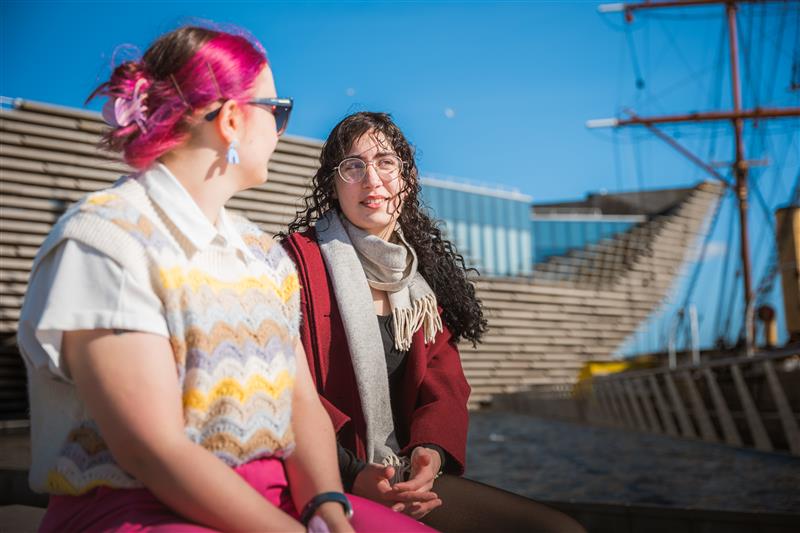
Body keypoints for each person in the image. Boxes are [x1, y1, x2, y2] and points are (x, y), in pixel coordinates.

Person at [17, 27, 435, 533]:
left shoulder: (260, 254)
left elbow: (301, 405)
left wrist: (327, 507)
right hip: (140, 508)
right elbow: (153, 451)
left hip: (283, 498)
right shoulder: (106, 241)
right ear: (234, 120)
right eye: (278, 111)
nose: (281, 130)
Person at [282, 112, 586, 532]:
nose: (372, 179)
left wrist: (431, 453)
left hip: (403, 477)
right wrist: (354, 473)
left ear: (406, 179)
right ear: (333, 185)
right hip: (320, 476)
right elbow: (282, 390)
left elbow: (443, 385)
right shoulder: (293, 265)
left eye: (386, 162)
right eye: (353, 166)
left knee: (559, 530)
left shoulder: (420, 285)